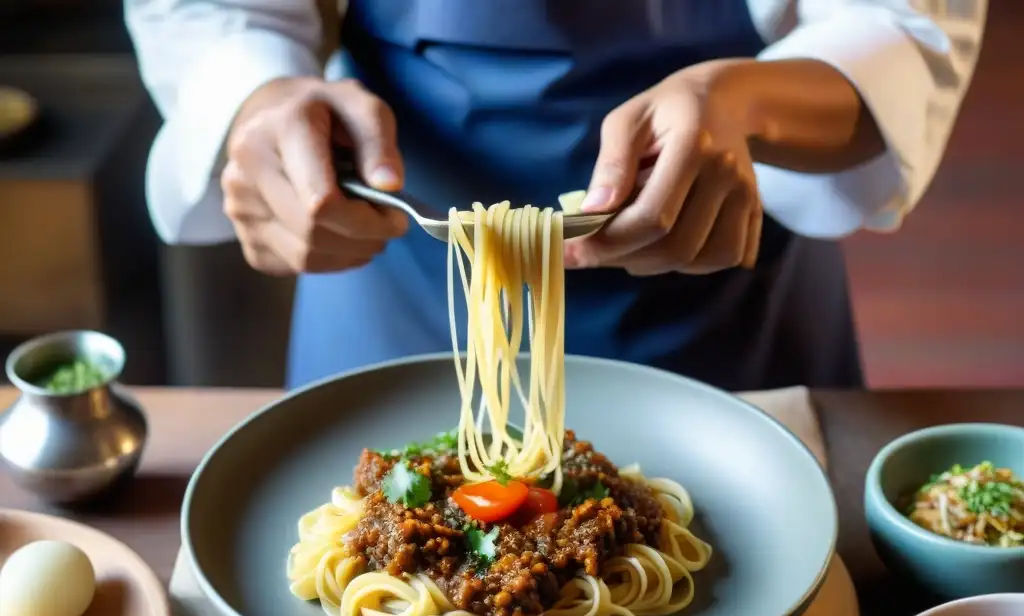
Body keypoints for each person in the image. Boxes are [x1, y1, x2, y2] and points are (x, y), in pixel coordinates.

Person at [126, 0, 986, 391]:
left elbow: (906, 26)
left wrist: (744, 104)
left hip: (728, 305)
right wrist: (257, 97)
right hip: (396, 281)